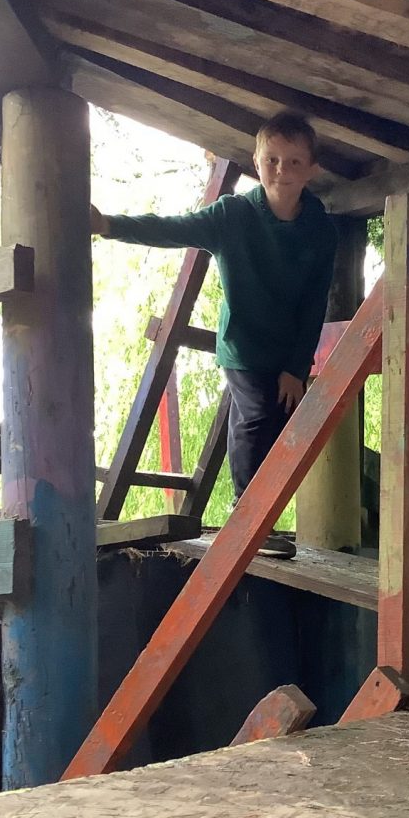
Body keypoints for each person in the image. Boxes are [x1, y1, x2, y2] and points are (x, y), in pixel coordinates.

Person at [91, 111, 338, 559]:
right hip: (243, 346)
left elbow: (314, 303)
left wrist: (296, 368)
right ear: (256, 162)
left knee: (275, 424)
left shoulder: (321, 229)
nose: (281, 170)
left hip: (286, 349)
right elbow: (171, 227)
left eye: (294, 162)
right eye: (272, 160)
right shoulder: (233, 215)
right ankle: (249, 521)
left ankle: (255, 519)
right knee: (256, 415)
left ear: (312, 169)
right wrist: (109, 225)